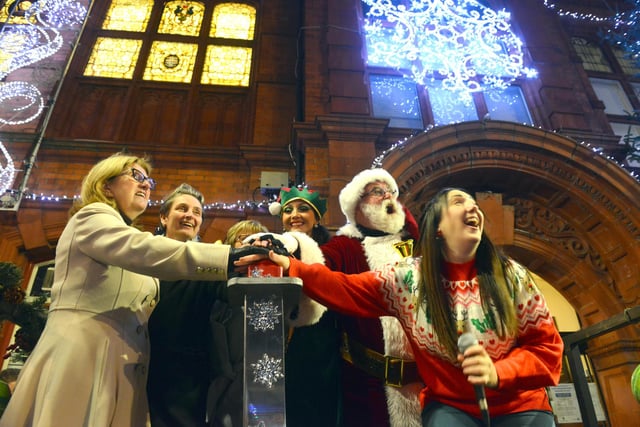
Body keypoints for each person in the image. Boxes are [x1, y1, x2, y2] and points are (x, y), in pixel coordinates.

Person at [246, 187, 564, 427]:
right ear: (436, 228)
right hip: (450, 408)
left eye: (475, 205)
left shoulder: (512, 276)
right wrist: (290, 263)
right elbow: (343, 287)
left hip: (523, 408)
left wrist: (499, 371)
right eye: (459, 202)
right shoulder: (407, 277)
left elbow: (547, 350)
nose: (474, 209)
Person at [0, 153, 263, 427]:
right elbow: (142, 249)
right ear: (106, 186)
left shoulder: (125, 233)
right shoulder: (93, 217)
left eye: (148, 180)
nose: (146, 185)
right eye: (136, 176)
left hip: (122, 365)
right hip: (84, 355)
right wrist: (226, 257)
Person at [148, 186, 269, 426]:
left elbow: (231, 290)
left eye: (196, 212)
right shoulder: (142, 254)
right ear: (163, 217)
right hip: (139, 362)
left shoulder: (210, 263)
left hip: (186, 378)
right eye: (182, 209)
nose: (190, 216)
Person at [319, 168, 423, 427]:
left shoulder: (413, 244)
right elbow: (315, 264)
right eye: (377, 192)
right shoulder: (345, 246)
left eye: (390, 192)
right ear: (358, 205)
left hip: (425, 385)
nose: (388, 196)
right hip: (367, 387)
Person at [267, 185, 342, 427]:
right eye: (288, 210)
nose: (294, 214)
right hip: (280, 343)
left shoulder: (331, 254)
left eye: (303, 209)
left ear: (317, 218)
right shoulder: (273, 249)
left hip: (320, 345)